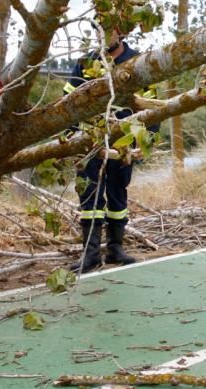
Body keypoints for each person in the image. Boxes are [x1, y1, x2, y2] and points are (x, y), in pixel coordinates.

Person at [64, 29, 159, 272]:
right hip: (90, 143)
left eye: (107, 31)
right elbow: (67, 102)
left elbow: (153, 108)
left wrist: (145, 142)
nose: (102, 35)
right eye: (98, 30)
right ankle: (91, 253)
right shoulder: (85, 63)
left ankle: (116, 248)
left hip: (124, 142)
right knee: (90, 197)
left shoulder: (138, 62)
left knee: (118, 194)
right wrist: (70, 137)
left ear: (121, 34)